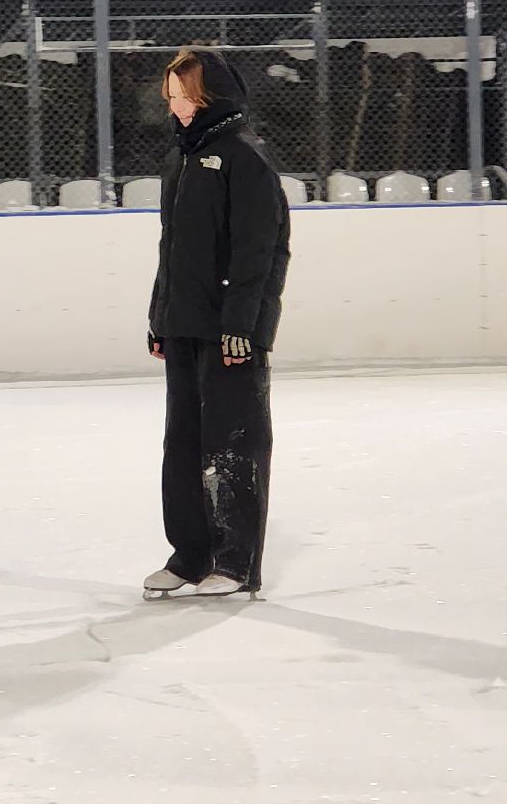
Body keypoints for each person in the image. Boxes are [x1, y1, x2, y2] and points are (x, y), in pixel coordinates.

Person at [144, 48, 291, 599]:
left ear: (210, 98)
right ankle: (189, 555)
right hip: (183, 324)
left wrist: (243, 328)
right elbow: (172, 251)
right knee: (182, 443)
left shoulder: (244, 159)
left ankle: (235, 562)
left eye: (181, 96)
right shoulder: (179, 162)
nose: (174, 106)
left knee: (231, 444)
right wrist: (160, 317)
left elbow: (260, 253)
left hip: (230, 330)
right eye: (171, 98)